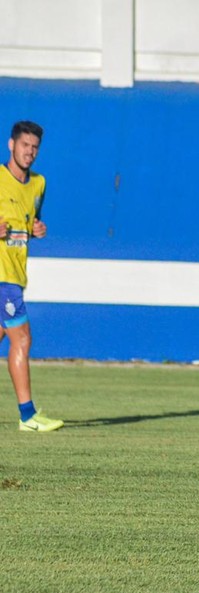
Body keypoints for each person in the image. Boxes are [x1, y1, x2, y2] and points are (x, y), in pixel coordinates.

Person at [0, 121, 63, 432]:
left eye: (35, 147)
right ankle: (28, 416)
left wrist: (37, 229)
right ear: (11, 145)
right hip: (2, 276)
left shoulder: (38, 183)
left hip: (15, 272)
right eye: (25, 145)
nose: (30, 151)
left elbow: (31, 220)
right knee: (22, 338)